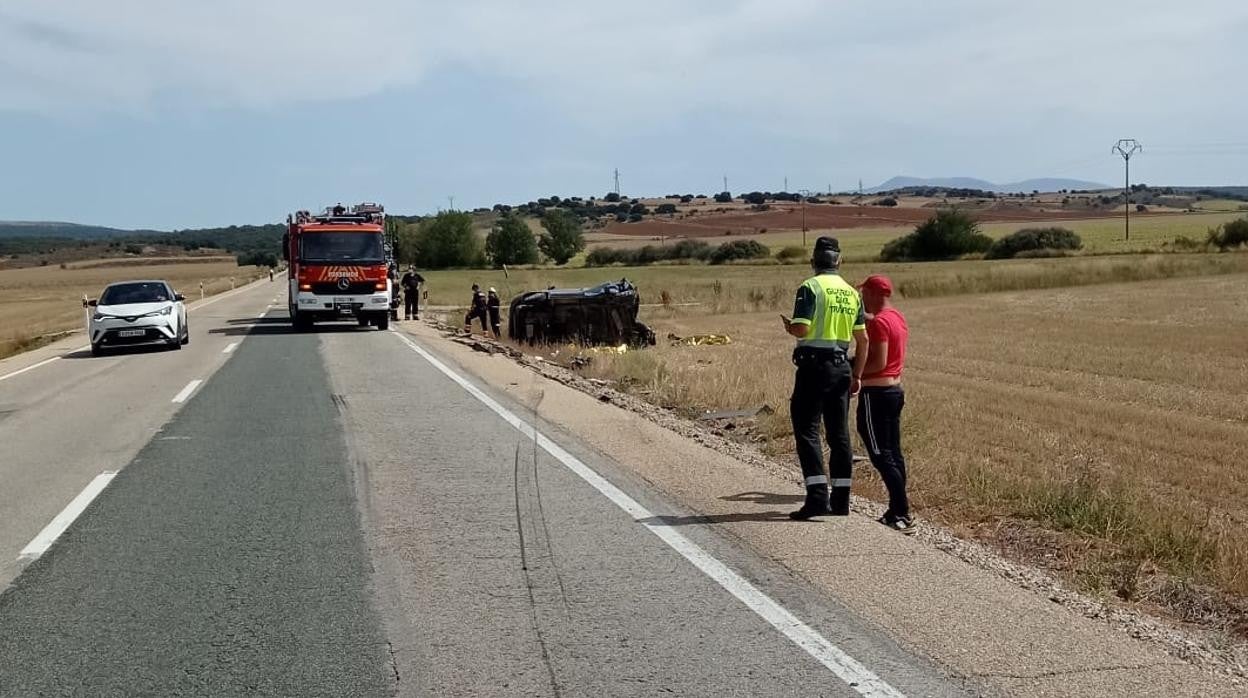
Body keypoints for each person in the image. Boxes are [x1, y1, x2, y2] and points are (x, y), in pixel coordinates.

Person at [781, 236, 869, 520]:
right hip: (842, 366)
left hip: (813, 367)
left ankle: (817, 495)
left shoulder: (810, 287)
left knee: (807, 430)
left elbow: (802, 330)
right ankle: (841, 500)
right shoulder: (852, 293)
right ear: (839, 261)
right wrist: (857, 374)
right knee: (839, 433)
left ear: (813, 262)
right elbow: (863, 340)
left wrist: (789, 327)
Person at [856, 274, 913, 533]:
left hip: (875, 394)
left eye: (864, 294)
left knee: (881, 455)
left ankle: (900, 511)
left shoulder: (879, 324)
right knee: (894, 452)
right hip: (894, 390)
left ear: (875, 294)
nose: (862, 298)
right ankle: (898, 509)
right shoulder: (896, 317)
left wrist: (854, 374)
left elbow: (878, 362)